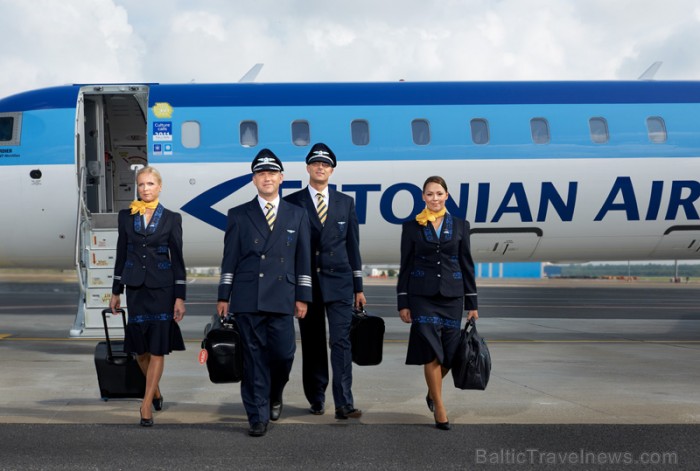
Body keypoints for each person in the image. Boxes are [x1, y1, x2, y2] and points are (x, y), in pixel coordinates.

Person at [217, 149, 312, 437]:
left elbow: (303, 258)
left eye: (272, 173)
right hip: (249, 296)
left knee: (283, 354)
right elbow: (229, 258)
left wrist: (303, 296)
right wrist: (224, 295)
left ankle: (274, 393)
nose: (267, 178)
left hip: (283, 295)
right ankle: (257, 416)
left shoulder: (297, 214)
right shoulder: (239, 214)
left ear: (281, 178)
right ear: (253, 179)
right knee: (254, 359)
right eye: (261, 174)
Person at [284, 143, 366, 420]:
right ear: (308, 168)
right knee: (313, 342)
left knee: (342, 341)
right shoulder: (293, 202)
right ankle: (317, 397)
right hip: (308, 284)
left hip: (340, 282)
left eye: (326, 164)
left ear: (332, 170)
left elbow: (353, 246)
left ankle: (344, 402)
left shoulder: (346, 202)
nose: (321, 168)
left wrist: (359, 286)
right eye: (316, 164)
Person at [397, 176, 478, 431]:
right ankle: (440, 409)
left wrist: (472, 302)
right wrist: (403, 302)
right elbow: (406, 265)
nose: (434, 198)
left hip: (452, 295)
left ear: (447, 196)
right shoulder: (412, 227)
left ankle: (432, 393)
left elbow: (466, 264)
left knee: (451, 354)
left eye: (439, 193)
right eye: (429, 194)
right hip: (422, 295)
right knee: (431, 350)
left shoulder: (461, 226)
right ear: (423, 197)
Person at [109, 166, 187, 427]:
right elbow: (122, 254)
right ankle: (154, 390)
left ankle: (145, 405)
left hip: (162, 289)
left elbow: (178, 259)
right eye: (141, 184)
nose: (145, 189)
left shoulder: (172, 218)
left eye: (150, 184)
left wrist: (180, 296)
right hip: (136, 288)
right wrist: (116, 290)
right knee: (139, 349)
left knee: (156, 348)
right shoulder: (126, 216)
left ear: (160, 187)